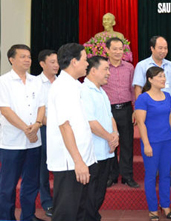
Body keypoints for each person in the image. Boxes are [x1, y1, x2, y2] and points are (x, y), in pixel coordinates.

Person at [47, 43, 97, 220]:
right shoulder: (63, 88)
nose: (87, 64)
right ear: (74, 62)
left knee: (79, 211)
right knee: (66, 213)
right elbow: (64, 126)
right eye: (84, 59)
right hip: (70, 162)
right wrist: (78, 161)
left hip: (80, 158)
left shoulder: (74, 85)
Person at [0, 44, 46, 221]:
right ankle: (6, 217)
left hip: (34, 141)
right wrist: (26, 129)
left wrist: (37, 123)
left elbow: (42, 105)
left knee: (31, 183)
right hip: (11, 142)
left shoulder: (36, 81)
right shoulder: (3, 81)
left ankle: (28, 216)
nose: (27, 60)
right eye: (23, 56)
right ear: (12, 59)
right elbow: (5, 110)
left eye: (29, 56)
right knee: (7, 186)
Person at [133, 36, 171, 187]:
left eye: (165, 48)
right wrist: (138, 109)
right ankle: (153, 172)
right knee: (151, 138)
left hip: (168, 106)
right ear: (152, 48)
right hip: (149, 107)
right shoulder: (142, 66)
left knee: (168, 138)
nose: (163, 51)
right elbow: (138, 88)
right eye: (160, 48)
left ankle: (167, 173)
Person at [135, 66, 171, 221]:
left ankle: (165, 206)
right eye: (160, 76)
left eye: (164, 76)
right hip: (152, 142)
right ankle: (153, 209)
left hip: (167, 141)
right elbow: (141, 123)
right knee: (151, 176)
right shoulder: (143, 98)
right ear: (150, 79)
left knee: (166, 175)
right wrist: (146, 144)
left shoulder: (167, 96)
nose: (163, 79)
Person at [81, 56, 119, 220]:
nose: (109, 73)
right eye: (106, 69)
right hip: (93, 152)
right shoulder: (84, 91)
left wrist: (115, 135)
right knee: (90, 193)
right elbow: (91, 122)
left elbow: (110, 117)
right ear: (93, 70)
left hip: (106, 151)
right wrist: (110, 138)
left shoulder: (101, 91)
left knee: (100, 191)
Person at [103, 37, 138, 188]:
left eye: (120, 49)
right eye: (114, 49)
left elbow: (133, 89)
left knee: (127, 143)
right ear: (107, 50)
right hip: (107, 111)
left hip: (125, 109)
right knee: (110, 143)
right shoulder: (102, 67)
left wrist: (135, 109)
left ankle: (127, 176)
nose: (118, 52)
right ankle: (111, 175)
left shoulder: (130, 67)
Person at [37, 49, 59, 217]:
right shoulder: (36, 84)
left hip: (63, 130)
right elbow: (38, 112)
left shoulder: (62, 83)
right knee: (43, 167)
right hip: (45, 129)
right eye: (52, 62)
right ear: (42, 64)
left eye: (57, 62)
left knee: (61, 165)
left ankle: (60, 200)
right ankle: (47, 202)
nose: (56, 65)